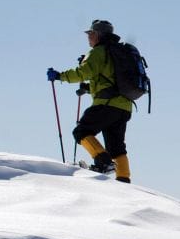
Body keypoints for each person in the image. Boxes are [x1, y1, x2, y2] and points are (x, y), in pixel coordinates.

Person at [47, 20, 133, 183]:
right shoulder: (117, 53)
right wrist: (88, 89)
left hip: (106, 104)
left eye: (91, 34)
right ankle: (123, 179)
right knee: (116, 147)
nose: (89, 37)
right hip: (124, 107)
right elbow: (109, 81)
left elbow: (83, 72)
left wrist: (60, 76)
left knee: (81, 132)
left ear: (99, 34)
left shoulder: (99, 52)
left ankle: (104, 162)